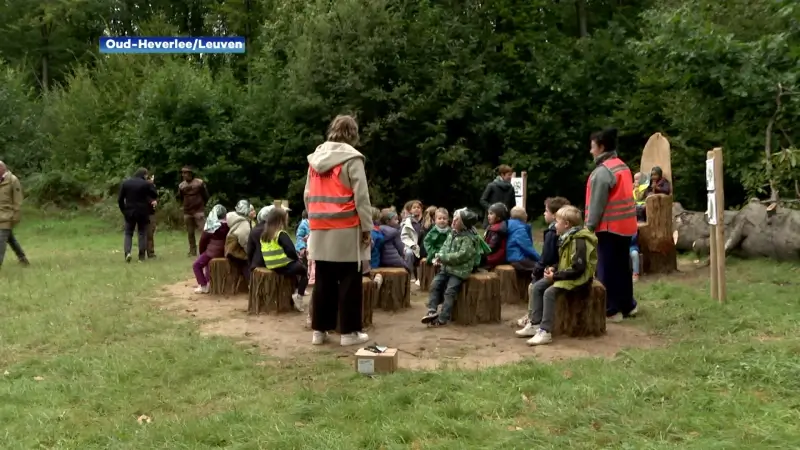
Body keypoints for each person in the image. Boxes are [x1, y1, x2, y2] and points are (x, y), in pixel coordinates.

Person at [304, 114, 373, 347]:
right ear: (353, 133)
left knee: (323, 279)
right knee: (349, 280)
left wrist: (315, 218)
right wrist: (367, 227)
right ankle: (348, 332)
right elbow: (361, 196)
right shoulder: (352, 158)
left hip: (319, 226)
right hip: (346, 228)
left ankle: (319, 331)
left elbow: (307, 195)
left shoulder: (315, 158)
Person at [515, 205, 598, 345]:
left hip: (579, 279)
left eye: (557, 222)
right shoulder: (566, 237)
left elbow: (578, 268)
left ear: (566, 224)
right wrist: (553, 269)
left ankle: (545, 331)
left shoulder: (579, 241)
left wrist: (556, 277)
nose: (554, 225)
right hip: (567, 275)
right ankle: (535, 323)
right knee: (537, 286)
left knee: (549, 292)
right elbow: (562, 262)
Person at [585, 127, 638, 322]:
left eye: (592, 147)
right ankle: (628, 304)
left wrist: (589, 227)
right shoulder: (622, 166)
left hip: (608, 227)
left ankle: (611, 309)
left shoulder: (602, 172)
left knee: (606, 269)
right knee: (623, 267)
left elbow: (597, 203)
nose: (591, 151)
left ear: (601, 147)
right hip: (625, 226)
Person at [516, 196, 571, 327]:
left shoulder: (553, 233)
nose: (544, 213)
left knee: (533, 286)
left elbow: (546, 257)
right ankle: (533, 316)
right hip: (554, 269)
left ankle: (532, 317)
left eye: (546, 211)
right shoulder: (557, 231)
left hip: (553, 270)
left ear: (554, 215)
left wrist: (536, 271)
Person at [421, 208, 480, 327]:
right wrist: (438, 256)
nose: (453, 222)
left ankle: (443, 318)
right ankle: (432, 310)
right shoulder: (453, 233)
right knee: (434, 285)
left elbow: (461, 256)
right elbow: (444, 247)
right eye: (453, 219)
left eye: (456, 220)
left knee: (449, 292)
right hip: (447, 268)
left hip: (459, 271)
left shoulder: (468, 238)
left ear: (463, 223)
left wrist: (443, 258)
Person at [260, 207, 307, 312]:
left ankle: (295, 289)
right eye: (286, 217)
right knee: (304, 271)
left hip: (271, 265)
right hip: (283, 265)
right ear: (280, 220)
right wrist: (297, 258)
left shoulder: (264, 234)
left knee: (296, 269)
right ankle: (299, 296)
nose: (287, 219)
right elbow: (290, 250)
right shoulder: (281, 234)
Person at [118, 167, 158, 263]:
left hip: (130, 212)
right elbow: (154, 194)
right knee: (142, 233)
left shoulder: (126, 183)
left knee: (128, 233)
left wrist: (124, 211)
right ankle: (141, 256)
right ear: (144, 175)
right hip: (142, 212)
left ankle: (127, 252)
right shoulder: (145, 184)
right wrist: (151, 183)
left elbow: (120, 199)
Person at [192, 205, 229, 294]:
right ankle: (209, 283)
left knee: (196, 265)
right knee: (208, 263)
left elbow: (203, 241)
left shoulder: (211, 226)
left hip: (213, 252)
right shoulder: (228, 225)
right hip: (225, 251)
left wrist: (202, 253)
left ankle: (203, 286)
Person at [0, 161, 29, 269]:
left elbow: (18, 201)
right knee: (11, 239)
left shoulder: (13, 180)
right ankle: (22, 258)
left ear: (2, 168)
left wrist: (15, 217)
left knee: (1, 241)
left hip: (7, 216)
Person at [177, 166, 210, 257]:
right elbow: (180, 198)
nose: (184, 175)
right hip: (187, 211)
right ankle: (192, 251)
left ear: (190, 173)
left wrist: (202, 204)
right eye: (183, 173)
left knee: (204, 231)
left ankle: (205, 249)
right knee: (190, 232)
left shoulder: (199, 183)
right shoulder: (181, 186)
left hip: (198, 210)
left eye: (185, 173)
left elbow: (206, 195)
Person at [505, 206, 541, 276]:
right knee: (541, 268)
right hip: (519, 259)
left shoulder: (508, 224)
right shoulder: (520, 229)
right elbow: (527, 248)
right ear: (525, 217)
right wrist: (540, 259)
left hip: (511, 258)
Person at [225, 199, 253, 282]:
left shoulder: (230, 216)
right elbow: (244, 242)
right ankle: (251, 283)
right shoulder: (244, 224)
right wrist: (250, 253)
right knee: (247, 262)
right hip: (235, 252)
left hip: (228, 248)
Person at [400, 200, 423, 286]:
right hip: (410, 245)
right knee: (409, 253)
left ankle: (421, 277)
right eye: (414, 207)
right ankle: (409, 274)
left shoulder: (424, 220)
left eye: (418, 207)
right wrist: (412, 245)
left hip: (421, 244)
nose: (417, 209)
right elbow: (404, 236)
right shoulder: (407, 222)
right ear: (410, 210)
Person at [482, 202, 509, 268]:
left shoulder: (497, 230)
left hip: (494, 258)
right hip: (493, 256)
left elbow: (491, 247)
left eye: (491, 214)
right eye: (488, 213)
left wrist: (480, 251)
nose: (488, 216)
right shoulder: (494, 226)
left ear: (499, 217)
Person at [246, 206, 273, 272]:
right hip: (273, 264)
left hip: (258, 263)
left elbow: (250, 250)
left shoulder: (255, 229)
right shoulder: (275, 230)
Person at [146, 173, 158, 259]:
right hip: (148, 212)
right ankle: (150, 252)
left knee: (149, 232)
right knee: (149, 232)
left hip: (149, 212)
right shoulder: (148, 186)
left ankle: (149, 251)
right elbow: (153, 194)